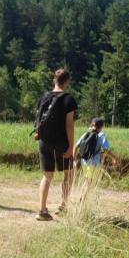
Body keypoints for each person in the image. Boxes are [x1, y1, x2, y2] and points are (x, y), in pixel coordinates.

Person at [34, 69, 77, 221]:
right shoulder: (68, 99)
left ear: (54, 80)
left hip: (44, 142)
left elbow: (39, 117)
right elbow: (69, 125)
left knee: (47, 176)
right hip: (62, 143)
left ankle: (42, 210)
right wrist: (71, 147)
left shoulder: (44, 96)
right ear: (66, 82)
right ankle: (63, 206)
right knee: (68, 173)